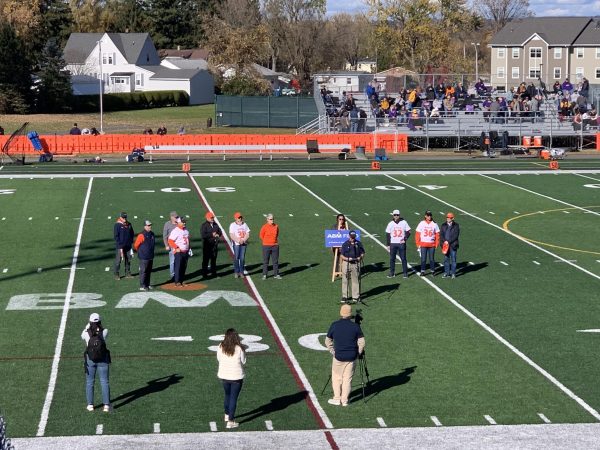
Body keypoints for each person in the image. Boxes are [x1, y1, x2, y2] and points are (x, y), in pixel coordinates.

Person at [325, 304, 365, 407]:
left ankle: (337, 398)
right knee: (348, 379)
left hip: (338, 356)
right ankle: (345, 400)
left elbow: (327, 340)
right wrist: (358, 352)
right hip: (351, 357)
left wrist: (332, 351)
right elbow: (362, 342)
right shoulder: (355, 326)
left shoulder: (334, 325)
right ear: (350, 314)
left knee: (337, 377)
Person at [217, 328, 247, 429]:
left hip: (224, 376)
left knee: (227, 395)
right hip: (236, 377)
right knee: (233, 398)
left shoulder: (221, 346)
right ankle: (230, 421)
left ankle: (226, 415)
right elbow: (244, 361)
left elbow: (218, 358)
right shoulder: (239, 348)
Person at [82, 313, 111, 412]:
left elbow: (82, 335)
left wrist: (87, 326)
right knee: (104, 382)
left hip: (90, 359)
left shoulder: (86, 333)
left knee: (90, 382)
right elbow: (104, 331)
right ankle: (106, 405)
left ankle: (90, 405)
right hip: (103, 359)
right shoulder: (105, 332)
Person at [340, 230, 365, 304]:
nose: (352, 239)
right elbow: (341, 255)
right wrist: (347, 259)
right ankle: (345, 296)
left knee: (356, 280)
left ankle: (356, 296)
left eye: (353, 237)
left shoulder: (358, 243)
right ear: (349, 236)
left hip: (356, 263)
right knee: (345, 279)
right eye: (351, 237)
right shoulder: (345, 244)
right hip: (346, 263)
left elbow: (363, 253)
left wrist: (360, 258)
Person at [385, 209, 411, 279]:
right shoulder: (390, 223)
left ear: (399, 215)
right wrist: (388, 244)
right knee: (392, 259)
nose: (396, 216)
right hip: (393, 243)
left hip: (401, 243)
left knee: (403, 258)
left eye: (397, 215)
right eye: (395, 215)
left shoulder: (404, 222)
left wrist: (405, 239)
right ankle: (392, 273)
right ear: (393, 215)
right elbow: (387, 234)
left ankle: (405, 273)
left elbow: (409, 231)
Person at [415, 210, 440, 276]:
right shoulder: (422, 223)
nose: (429, 216)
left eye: (430, 215)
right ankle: (422, 271)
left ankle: (432, 270)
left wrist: (437, 243)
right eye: (428, 215)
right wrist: (418, 243)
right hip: (423, 244)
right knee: (423, 259)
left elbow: (437, 234)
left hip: (432, 244)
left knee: (432, 259)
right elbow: (417, 233)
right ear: (425, 216)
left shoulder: (434, 223)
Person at [133, 220, 156, 290]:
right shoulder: (141, 235)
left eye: (150, 225)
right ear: (145, 226)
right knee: (143, 271)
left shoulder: (152, 234)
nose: (150, 226)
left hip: (150, 256)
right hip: (143, 257)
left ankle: (147, 284)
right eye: (148, 225)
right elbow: (136, 245)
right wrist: (141, 251)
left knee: (149, 271)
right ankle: (142, 286)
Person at [168, 217, 190, 287]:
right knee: (178, 266)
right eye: (183, 222)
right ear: (178, 222)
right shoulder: (175, 231)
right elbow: (170, 241)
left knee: (184, 266)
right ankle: (177, 281)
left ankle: (182, 280)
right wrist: (176, 247)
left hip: (185, 251)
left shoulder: (186, 230)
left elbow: (187, 240)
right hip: (179, 252)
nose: (184, 223)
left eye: (185, 222)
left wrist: (189, 248)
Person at [259, 213, 281, 280]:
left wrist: (274, 242)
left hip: (275, 246)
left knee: (275, 261)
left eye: (273, 219)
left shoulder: (276, 226)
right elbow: (261, 235)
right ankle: (265, 275)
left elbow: (277, 234)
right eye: (271, 219)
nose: (272, 220)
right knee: (266, 261)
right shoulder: (264, 227)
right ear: (267, 219)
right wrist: (266, 241)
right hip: (266, 246)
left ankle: (276, 274)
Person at [113, 212, 134, 280]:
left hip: (128, 245)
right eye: (123, 217)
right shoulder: (117, 225)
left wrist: (131, 242)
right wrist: (119, 245)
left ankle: (128, 273)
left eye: (125, 217)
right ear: (120, 217)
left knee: (128, 260)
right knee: (118, 261)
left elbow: (132, 233)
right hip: (120, 246)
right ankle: (116, 274)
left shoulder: (129, 224)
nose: (124, 219)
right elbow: (116, 236)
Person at [201, 211, 222, 278]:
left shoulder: (215, 224)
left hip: (214, 245)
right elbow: (203, 235)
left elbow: (220, 231)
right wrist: (211, 234)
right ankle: (204, 274)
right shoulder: (204, 225)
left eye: (213, 217)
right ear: (207, 218)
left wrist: (218, 234)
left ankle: (214, 273)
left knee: (213, 260)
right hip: (207, 246)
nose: (212, 218)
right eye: (211, 217)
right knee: (206, 260)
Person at [229, 212, 250, 278]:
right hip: (236, 244)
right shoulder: (232, 225)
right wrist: (238, 240)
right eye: (238, 217)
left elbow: (248, 233)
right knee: (236, 257)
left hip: (243, 243)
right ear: (235, 218)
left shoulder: (244, 224)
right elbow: (231, 235)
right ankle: (236, 271)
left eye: (240, 217)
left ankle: (241, 272)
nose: (239, 218)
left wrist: (243, 240)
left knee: (242, 258)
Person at [440, 212, 460, 279]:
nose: (448, 218)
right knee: (446, 259)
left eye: (449, 217)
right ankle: (446, 273)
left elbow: (456, 236)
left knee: (453, 259)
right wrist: (443, 243)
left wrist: (448, 242)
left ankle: (453, 273)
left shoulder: (456, 225)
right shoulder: (443, 225)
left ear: (453, 218)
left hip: (453, 245)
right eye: (447, 217)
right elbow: (441, 235)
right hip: (445, 245)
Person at [163, 211, 179, 281]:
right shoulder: (167, 224)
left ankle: (178, 274)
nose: (177, 218)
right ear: (171, 217)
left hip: (179, 246)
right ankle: (173, 275)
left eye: (177, 217)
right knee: (172, 261)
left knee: (179, 261)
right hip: (172, 245)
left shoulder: (179, 223)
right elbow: (165, 236)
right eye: (175, 217)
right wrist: (166, 245)